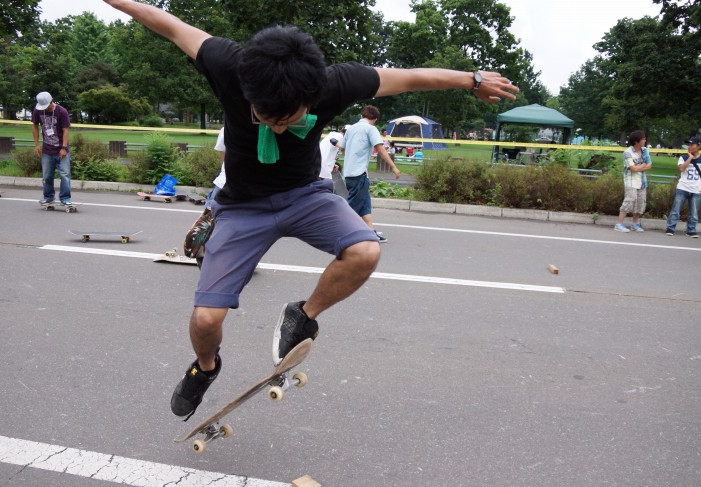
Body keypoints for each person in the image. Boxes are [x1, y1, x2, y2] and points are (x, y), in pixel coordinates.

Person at [103, 0, 519, 421]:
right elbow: (167, 23)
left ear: (311, 96)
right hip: (241, 207)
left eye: (288, 119)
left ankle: (303, 316)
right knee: (207, 318)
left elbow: (410, 77)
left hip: (305, 195)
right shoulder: (228, 64)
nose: (277, 128)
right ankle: (206, 369)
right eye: (265, 118)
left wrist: (473, 79)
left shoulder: (334, 83)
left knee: (366, 251)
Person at [342, 105, 401, 243]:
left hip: (349, 172)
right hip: (359, 174)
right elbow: (380, 149)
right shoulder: (370, 129)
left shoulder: (351, 129)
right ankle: (340, 231)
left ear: (362, 115)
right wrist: (393, 167)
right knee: (352, 208)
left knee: (365, 206)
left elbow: (342, 148)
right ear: (374, 119)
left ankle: (370, 233)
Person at [183, 127, 226, 263]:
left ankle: (201, 252)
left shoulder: (228, 128)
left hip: (225, 183)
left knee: (211, 222)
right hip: (230, 184)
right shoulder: (264, 128)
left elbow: (222, 157)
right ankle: (202, 252)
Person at [665, 136, 701, 238]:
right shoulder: (683, 157)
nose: (689, 146)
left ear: (699, 146)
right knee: (675, 209)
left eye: (692, 145)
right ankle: (670, 228)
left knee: (694, 212)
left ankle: (691, 229)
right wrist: (690, 158)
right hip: (682, 187)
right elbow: (681, 169)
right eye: (689, 145)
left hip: (696, 189)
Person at [32, 92, 72, 205]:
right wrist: (36, 145)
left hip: (61, 148)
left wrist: (64, 148)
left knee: (65, 175)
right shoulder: (38, 110)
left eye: (47, 105)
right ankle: (48, 197)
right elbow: (34, 126)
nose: (46, 108)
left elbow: (66, 130)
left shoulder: (62, 111)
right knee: (47, 175)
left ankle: (65, 198)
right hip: (47, 149)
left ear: (52, 100)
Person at [615, 130, 652, 232]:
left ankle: (635, 224)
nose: (645, 140)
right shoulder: (627, 153)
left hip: (642, 181)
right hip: (630, 181)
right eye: (643, 139)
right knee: (629, 201)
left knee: (640, 202)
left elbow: (649, 165)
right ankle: (619, 224)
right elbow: (633, 169)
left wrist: (640, 167)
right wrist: (643, 166)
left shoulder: (645, 150)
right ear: (636, 141)